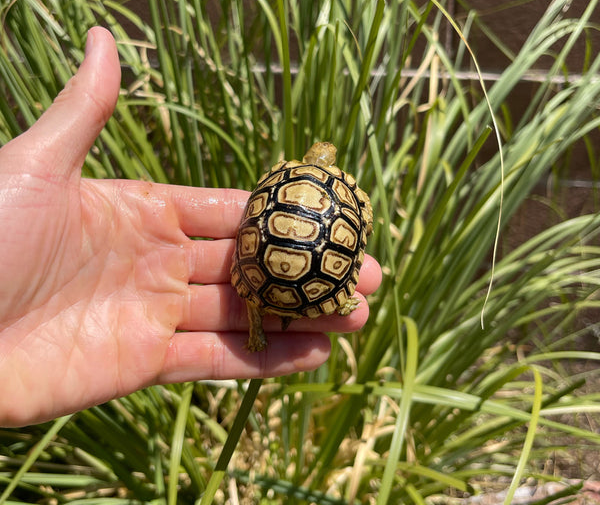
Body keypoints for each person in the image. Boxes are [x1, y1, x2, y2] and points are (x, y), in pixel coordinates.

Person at [0, 27, 382, 428]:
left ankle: (260, 329)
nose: (324, 152)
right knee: (301, 283)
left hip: (262, 275)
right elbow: (360, 216)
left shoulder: (279, 176)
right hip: (319, 282)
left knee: (254, 296)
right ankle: (333, 300)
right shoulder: (344, 189)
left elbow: (257, 207)